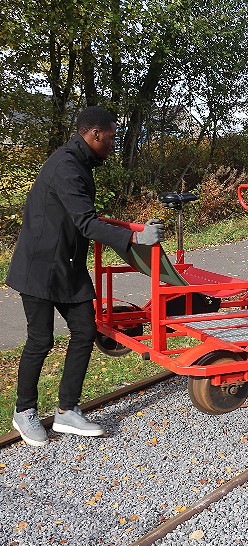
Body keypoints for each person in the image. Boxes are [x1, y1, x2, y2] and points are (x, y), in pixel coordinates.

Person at [6, 106, 165, 447]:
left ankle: (66, 411)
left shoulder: (78, 163)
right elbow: (86, 223)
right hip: (39, 268)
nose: (113, 142)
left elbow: (81, 215)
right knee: (41, 340)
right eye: (111, 136)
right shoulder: (67, 166)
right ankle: (24, 412)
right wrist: (134, 238)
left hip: (67, 265)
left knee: (84, 330)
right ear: (94, 134)